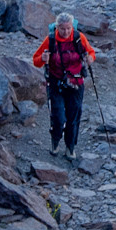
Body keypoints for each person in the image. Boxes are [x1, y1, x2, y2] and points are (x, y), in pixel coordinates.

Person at [32, 12, 96, 156]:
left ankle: (70, 147)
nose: (66, 32)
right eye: (62, 29)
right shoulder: (51, 40)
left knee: (73, 117)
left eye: (68, 28)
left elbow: (91, 52)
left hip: (76, 83)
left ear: (72, 27)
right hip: (56, 83)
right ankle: (55, 141)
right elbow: (36, 60)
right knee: (58, 117)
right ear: (57, 27)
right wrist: (42, 58)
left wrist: (90, 59)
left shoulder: (79, 38)